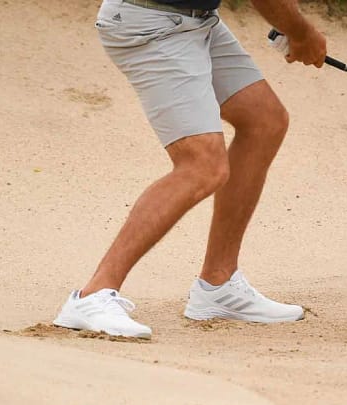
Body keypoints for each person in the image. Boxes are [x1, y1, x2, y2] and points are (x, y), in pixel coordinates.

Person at [53, 0, 327, 339]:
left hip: (197, 21)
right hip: (149, 23)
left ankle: (219, 285)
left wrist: (293, 25)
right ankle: (92, 295)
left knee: (264, 121)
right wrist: (301, 32)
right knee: (202, 165)